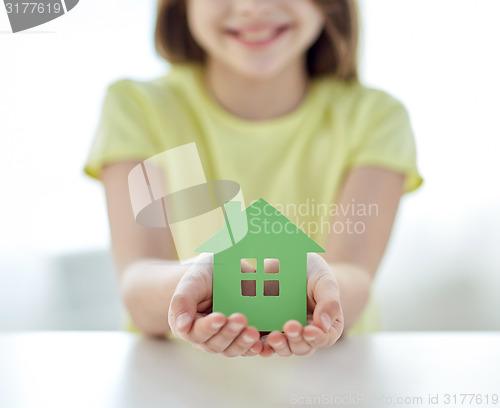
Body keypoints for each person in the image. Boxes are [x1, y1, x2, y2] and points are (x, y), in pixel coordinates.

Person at [83, 0, 423, 357]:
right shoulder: (137, 107)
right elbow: (138, 281)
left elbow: (354, 274)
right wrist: (207, 280)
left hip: (329, 376)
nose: (253, 7)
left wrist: (306, 284)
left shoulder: (376, 118)